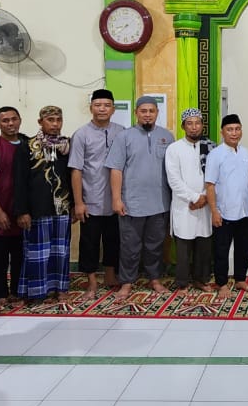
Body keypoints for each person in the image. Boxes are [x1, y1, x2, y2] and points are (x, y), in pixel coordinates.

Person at [105, 95, 173, 299]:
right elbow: (116, 169)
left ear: (157, 113)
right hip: (131, 203)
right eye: (143, 111)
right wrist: (117, 199)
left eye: (151, 111)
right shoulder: (124, 137)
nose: (148, 115)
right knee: (130, 246)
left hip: (160, 202)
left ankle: (155, 279)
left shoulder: (167, 137)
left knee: (155, 244)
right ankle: (127, 282)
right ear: (136, 113)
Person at [14, 105, 72, 302]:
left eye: (58, 120)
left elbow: (72, 177)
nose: (55, 124)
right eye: (50, 120)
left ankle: (60, 288)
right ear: (40, 122)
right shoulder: (28, 146)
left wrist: (73, 205)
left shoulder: (67, 146)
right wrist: (22, 211)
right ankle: (38, 291)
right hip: (37, 209)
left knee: (60, 251)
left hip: (61, 206)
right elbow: (19, 181)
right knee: (38, 252)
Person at [69, 89, 124, 289]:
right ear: (91, 107)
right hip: (90, 200)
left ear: (113, 109)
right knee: (89, 242)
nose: (102, 109)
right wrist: (78, 203)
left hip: (115, 200)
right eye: (98, 105)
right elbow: (76, 170)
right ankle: (91, 281)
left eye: (107, 105)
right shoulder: (81, 134)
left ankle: (110, 275)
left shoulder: (121, 131)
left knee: (114, 240)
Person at [206, 114, 248, 294]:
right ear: (222, 132)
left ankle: (241, 279)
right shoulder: (215, 155)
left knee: (243, 249)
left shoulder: (245, 152)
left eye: (237, 129)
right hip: (224, 211)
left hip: (245, 210)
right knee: (221, 250)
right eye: (230, 130)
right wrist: (214, 211)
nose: (234, 133)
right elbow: (209, 185)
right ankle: (222, 283)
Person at [0, 106, 27, 309]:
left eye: (14, 119)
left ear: (20, 120)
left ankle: (18, 290)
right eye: (5, 120)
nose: (10, 124)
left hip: (22, 211)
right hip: (1, 210)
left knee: (20, 254)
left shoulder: (29, 145)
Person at [166, 108, 214, 289]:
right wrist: (194, 198)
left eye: (197, 123)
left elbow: (214, 176)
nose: (194, 128)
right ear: (183, 126)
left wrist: (204, 197)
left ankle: (200, 280)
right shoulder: (174, 149)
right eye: (189, 124)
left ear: (202, 125)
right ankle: (182, 283)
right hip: (184, 205)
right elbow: (174, 180)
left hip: (205, 204)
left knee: (203, 245)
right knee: (183, 247)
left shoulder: (211, 147)